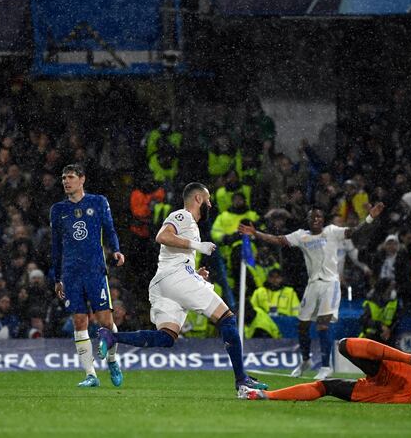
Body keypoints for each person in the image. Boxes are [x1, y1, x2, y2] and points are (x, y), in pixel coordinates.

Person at [97, 182, 268, 394]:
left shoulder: (192, 226)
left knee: (166, 337)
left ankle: (112, 336)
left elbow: (173, 257)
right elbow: (162, 236)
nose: (210, 204)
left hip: (166, 283)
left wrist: (196, 275)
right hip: (175, 279)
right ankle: (242, 380)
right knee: (228, 319)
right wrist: (198, 246)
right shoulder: (183, 216)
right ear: (198, 199)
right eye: (208, 199)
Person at [239, 202, 385, 380]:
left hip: (330, 284)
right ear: (307, 220)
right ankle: (305, 361)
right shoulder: (302, 236)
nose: (316, 219)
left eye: (319, 217)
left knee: (323, 324)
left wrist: (370, 217)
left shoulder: (331, 231)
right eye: (313, 217)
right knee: (302, 325)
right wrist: (255, 233)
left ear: (323, 220)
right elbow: (278, 240)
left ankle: (325, 366)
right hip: (313, 284)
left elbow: (354, 231)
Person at [238, 306, 411, 403]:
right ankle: (265, 395)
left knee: (345, 345)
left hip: (407, 374)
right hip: (401, 396)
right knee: (328, 387)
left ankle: (410, 357)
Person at [49, 163, 125, 388]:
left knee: (105, 321)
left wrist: (117, 249)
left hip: (94, 270)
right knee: (79, 321)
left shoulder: (98, 202)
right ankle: (90, 374)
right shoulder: (58, 210)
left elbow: (109, 229)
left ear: (82, 179)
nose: (65, 181)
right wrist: (57, 277)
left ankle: (112, 360)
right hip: (71, 273)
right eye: (63, 178)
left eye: (70, 177)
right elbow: (55, 246)